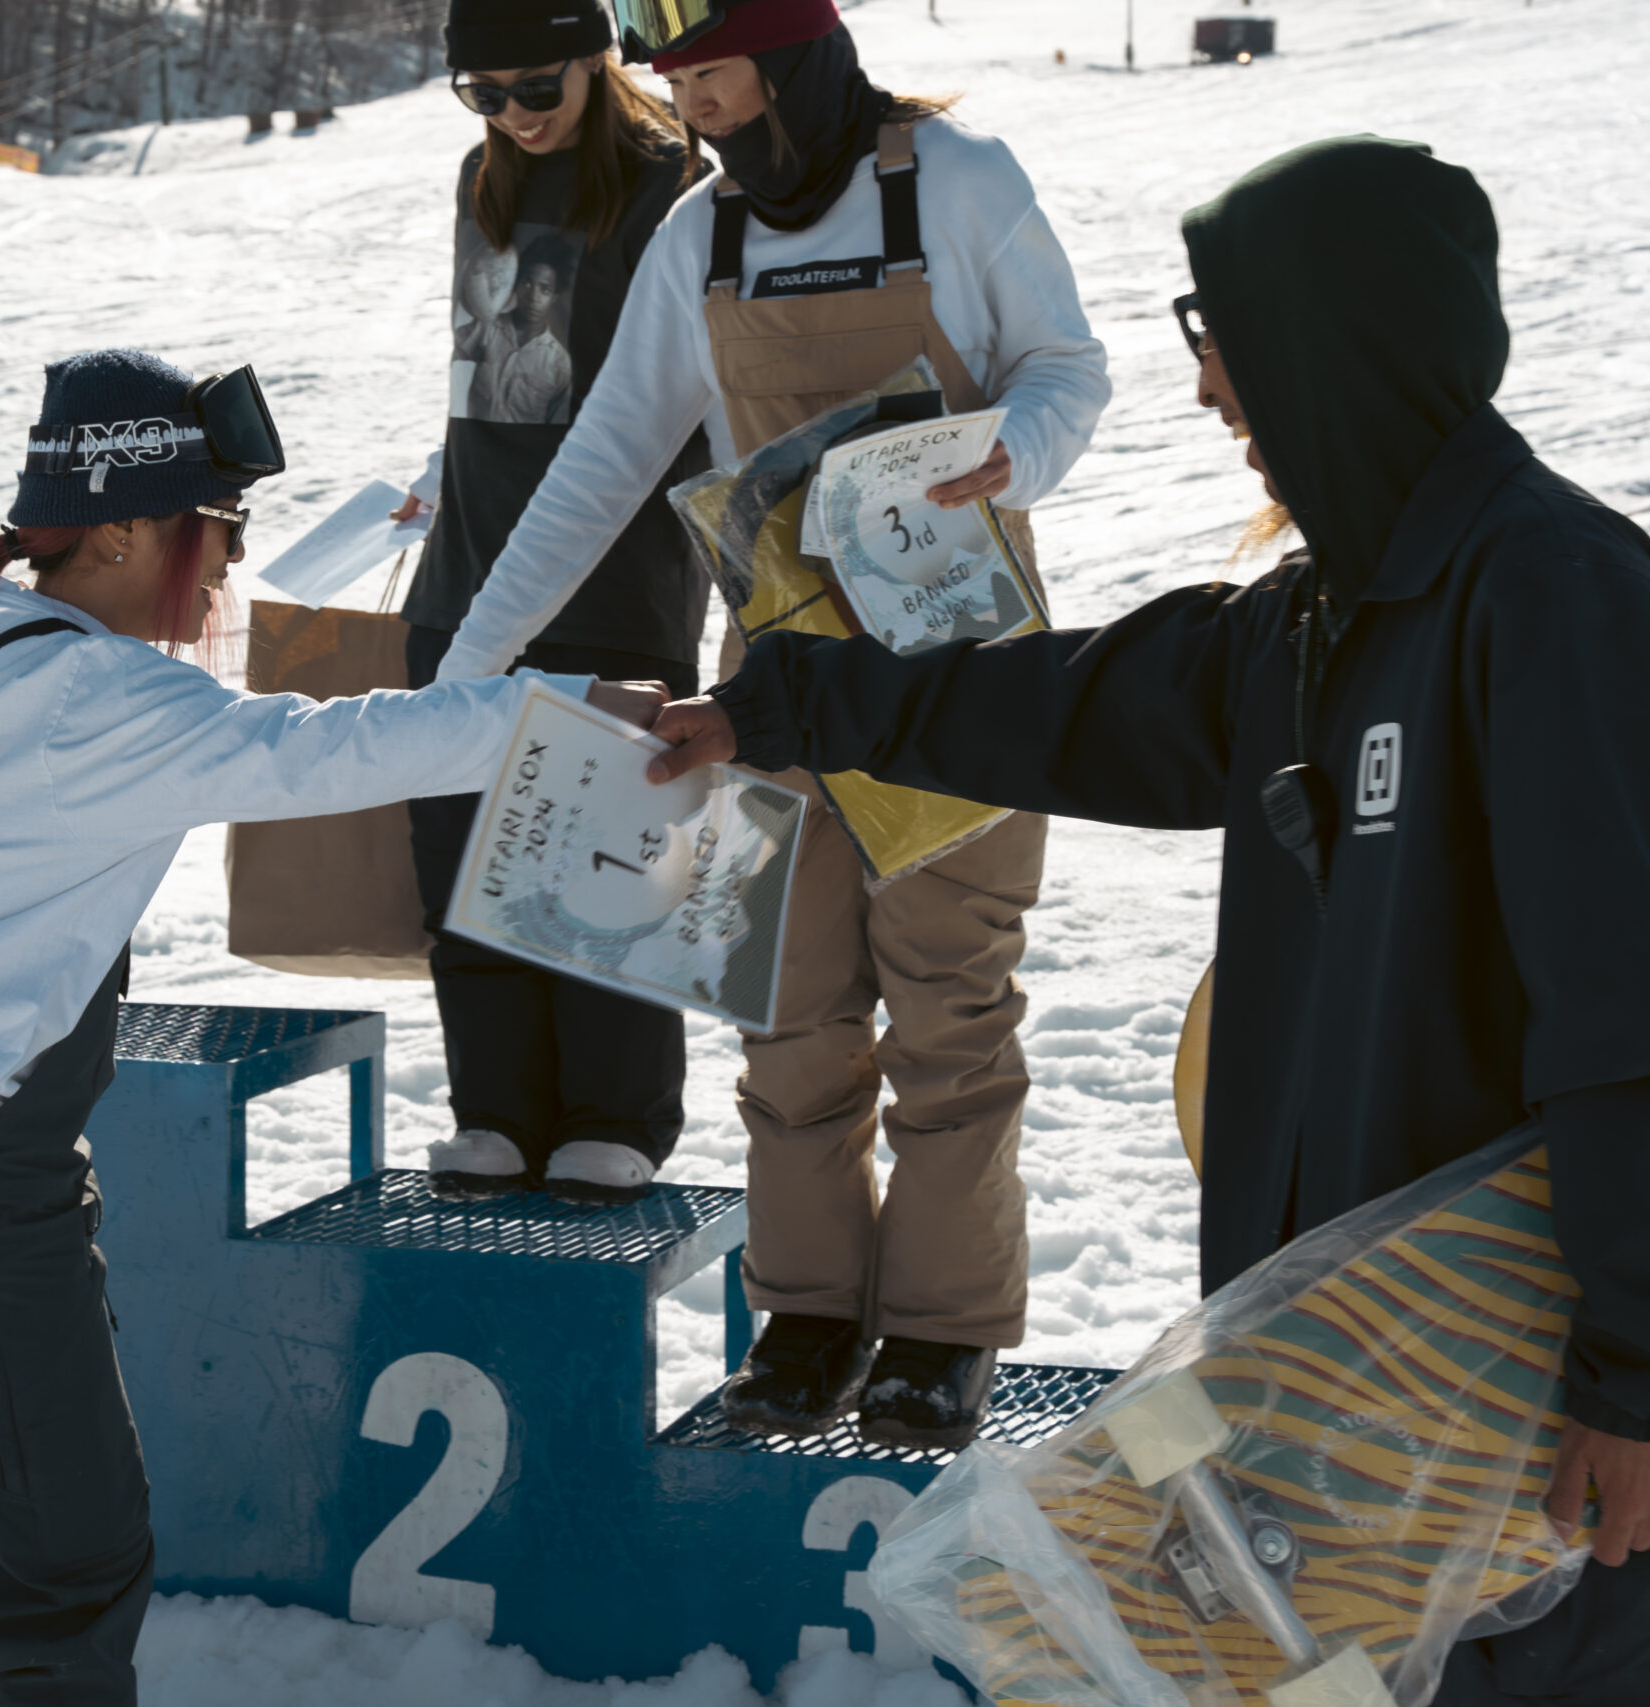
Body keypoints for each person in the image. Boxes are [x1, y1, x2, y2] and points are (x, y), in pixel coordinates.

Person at [650, 136, 1650, 1706]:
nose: (1205, 389)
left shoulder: (1549, 591)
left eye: (1222, 335)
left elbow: (1629, 1008)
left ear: (1340, 335)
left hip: (1548, 1402)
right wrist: (772, 704)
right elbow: (1056, 701)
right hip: (1362, 1385)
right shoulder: (1319, 620)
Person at [0, 348, 665, 1704]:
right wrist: (573, 710)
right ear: (120, 531)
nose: (231, 564)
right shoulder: (98, 697)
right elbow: (327, 751)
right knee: (51, 1581)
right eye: (218, 527)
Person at [434, 0, 1110, 1447]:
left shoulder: (956, 180)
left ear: (795, 50)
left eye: (717, 73)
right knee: (788, 1012)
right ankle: (804, 1317)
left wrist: (1014, 452)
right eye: (677, 81)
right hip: (778, 682)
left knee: (951, 1011)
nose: (696, 106)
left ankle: (941, 1332)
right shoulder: (701, 232)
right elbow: (608, 457)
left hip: (961, 667)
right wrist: (472, 662)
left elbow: (1069, 365)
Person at [397, 0, 711, 1208]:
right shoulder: (481, 182)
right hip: (466, 578)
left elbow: (682, 401)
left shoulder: (675, 185)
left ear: (597, 58)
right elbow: (500, 377)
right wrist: (437, 481)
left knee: (600, 871)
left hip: (619, 587)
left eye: (537, 87)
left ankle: (615, 1116)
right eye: (482, 95)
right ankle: (495, 1111)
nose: (514, 116)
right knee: (466, 867)